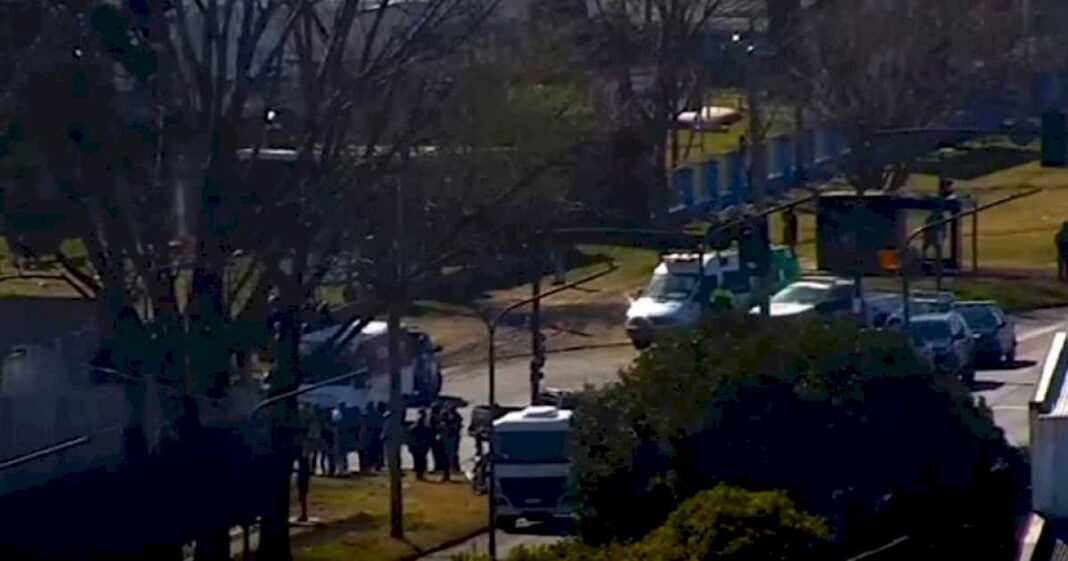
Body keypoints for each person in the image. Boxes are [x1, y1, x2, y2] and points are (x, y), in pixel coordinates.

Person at [408, 409, 433, 480]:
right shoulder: (424, 427)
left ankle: (419, 475)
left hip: (420, 445)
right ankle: (419, 475)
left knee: (420, 460)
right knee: (420, 461)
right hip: (420, 445)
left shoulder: (415, 427)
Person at [440, 404, 462, 481]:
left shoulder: (457, 417)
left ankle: (454, 467)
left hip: (453, 438)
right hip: (446, 438)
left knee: (453, 454)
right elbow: (441, 425)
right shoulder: (444, 416)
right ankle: (446, 473)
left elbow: (457, 426)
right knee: (445, 456)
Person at [429, 403, 446, 473]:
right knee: (436, 454)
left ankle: (439, 466)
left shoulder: (438, 417)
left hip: (437, 437)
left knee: (438, 454)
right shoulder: (434, 417)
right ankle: (438, 466)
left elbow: (438, 427)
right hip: (433, 438)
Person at [295, 453, 312, 522]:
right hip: (303, 479)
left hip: (303, 480)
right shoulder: (304, 464)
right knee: (302, 497)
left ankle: (304, 515)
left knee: (302, 497)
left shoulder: (303, 465)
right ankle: (304, 514)